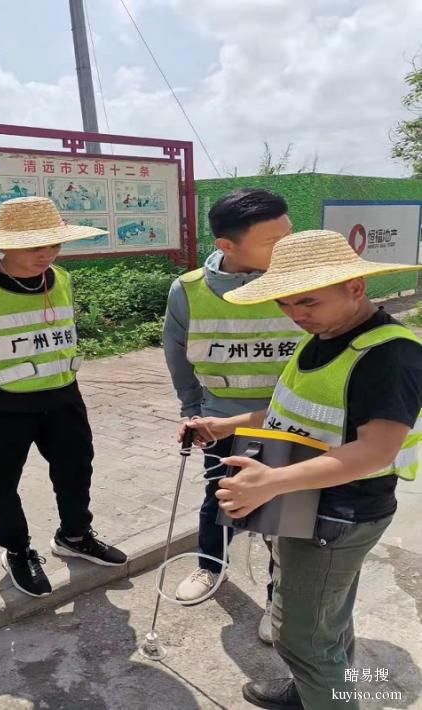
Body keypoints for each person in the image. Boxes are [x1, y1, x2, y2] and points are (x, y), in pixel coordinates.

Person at [181, 229, 422, 709]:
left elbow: (375, 451)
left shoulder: (389, 355)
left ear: (355, 287)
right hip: (310, 499)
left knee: (302, 639)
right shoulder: (325, 335)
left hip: (341, 512)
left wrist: (270, 482)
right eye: (285, 304)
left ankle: (322, 690)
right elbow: (290, 414)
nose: (295, 315)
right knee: (326, 619)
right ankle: (315, 690)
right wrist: (223, 423)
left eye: (307, 302)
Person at [0, 196, 127, 598]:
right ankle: (17, 549)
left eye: (54, 245)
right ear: (4, 244)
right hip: (7, 403)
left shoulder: (61, 278)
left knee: (76, 467)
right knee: (4, 479)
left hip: (64, 397)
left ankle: (75, 536)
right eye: (35, 246)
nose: (47, 255)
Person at [163, 188, 299, 642]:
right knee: (218, 498)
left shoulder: (301, 281)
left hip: (291, 423)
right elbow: (177, 354)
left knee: (284, 517)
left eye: (289, 235)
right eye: (272, 242)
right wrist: (192, 410)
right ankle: (209, 567)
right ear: (227, 246)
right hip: (219, 418)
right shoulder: (189, 290)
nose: (286, 249)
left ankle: (280, 598)